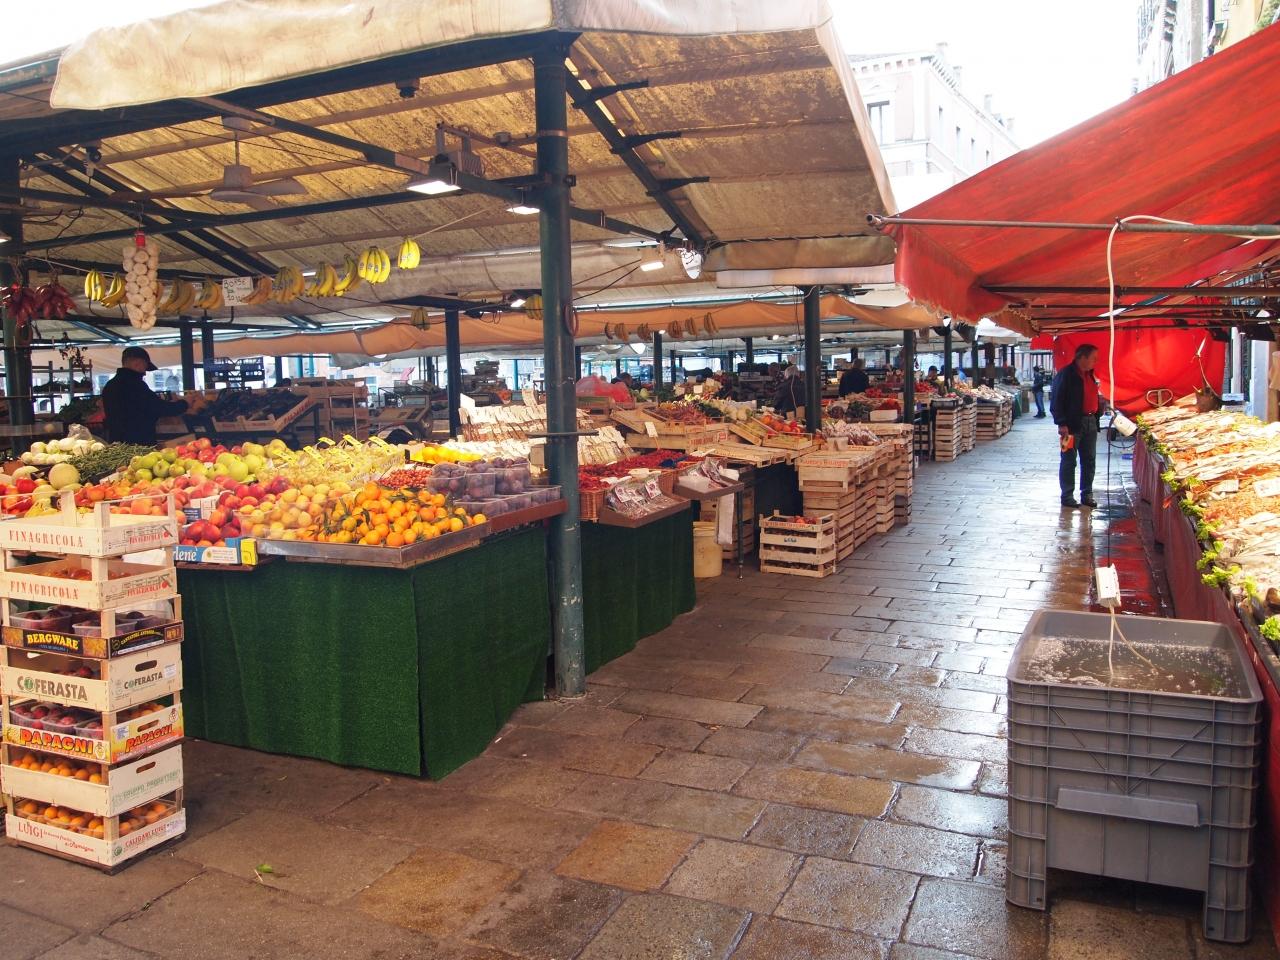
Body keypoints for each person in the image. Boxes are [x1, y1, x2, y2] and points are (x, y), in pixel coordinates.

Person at [1050, 343, 1105, 508]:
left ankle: (1087, 494)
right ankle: (1067, 496)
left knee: (1089, 460)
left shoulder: (1090, 375)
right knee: (1068, 460)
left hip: (1090, 423)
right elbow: (1056, 400)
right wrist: (1061, 423)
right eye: (1093, 358)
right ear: (1083, 357)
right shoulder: (1066, 375)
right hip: (1071, 425)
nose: (1096, 361)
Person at [101, 346, 189, 445]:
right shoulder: (135, 385)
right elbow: (159, 408)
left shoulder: (110, 385)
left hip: (118, 444)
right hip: (138, 445)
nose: (145, 373)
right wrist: (185, 403)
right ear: (138, 363)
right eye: (145, 367)